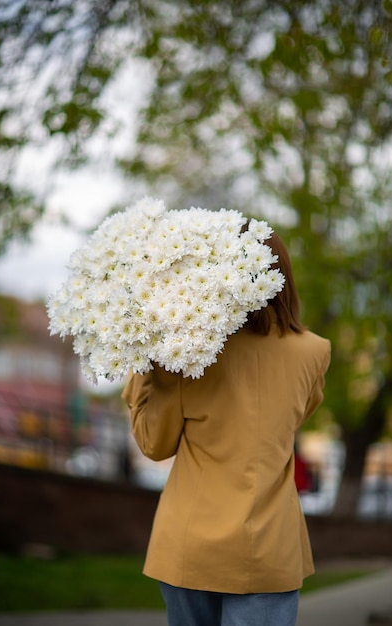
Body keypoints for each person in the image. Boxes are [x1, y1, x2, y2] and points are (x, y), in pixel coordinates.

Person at [122, 229, 331, 626]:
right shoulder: (314, 351)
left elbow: (154, 443)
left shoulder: (185, 352)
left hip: (189, 544)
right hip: (270, 545)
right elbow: (295, 416)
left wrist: (144, 362)